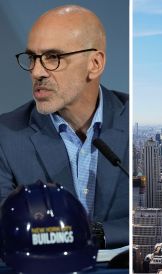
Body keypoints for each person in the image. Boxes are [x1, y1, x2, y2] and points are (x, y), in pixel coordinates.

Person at [0, 5, 128, 249]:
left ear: (95, 63)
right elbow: (6, 227)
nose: (37, 72)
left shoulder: (132, 119)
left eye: (53, 57)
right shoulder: (6, 135)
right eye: (32, 58)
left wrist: (97, 234)